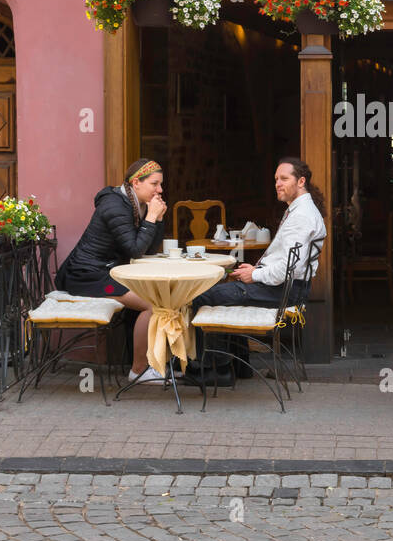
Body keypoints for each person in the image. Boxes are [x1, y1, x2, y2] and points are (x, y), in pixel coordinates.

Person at [188, 157, 328, 383]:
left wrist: (254, 275)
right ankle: (239, 367)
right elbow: (285, 261)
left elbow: (288, 269)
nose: (278, 184)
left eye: (284, 179)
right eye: (276, 179)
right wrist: (256, 269)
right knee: (225, 291)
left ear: (301, 181)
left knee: (202, 297)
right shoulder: (299, 211)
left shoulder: (301, 216)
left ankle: (216, 370)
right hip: (286, 288)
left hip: (284, 291)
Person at [55, 157, 167, 384]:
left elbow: (148, 249)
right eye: (154, 184)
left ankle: (157, 363)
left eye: (160, 184)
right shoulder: (114, 205)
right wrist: (152, 219)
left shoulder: (138, 204)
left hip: (105, 272)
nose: (160, 189)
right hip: (87, 277)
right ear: (136, 183)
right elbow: (135, 250)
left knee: (161, 296)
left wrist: (158, 219)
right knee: (153, 305)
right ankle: (139, 370)